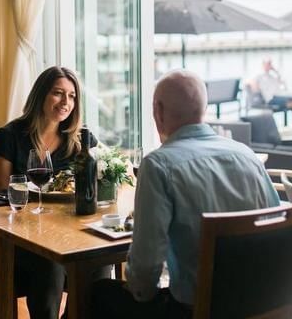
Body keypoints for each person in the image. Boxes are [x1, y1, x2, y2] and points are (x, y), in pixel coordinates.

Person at [91, 69, 280, 319]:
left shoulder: (159, 165)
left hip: (194, 312)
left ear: (157, 111)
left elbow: (145, 274)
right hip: (260, 304)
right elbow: (277, 229)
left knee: (97, 293)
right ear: (204, 108)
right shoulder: (246, 156)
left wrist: (139, 291)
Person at [0, 66, 94, 319]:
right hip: (16, 236)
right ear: (41, 96)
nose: (65, 102)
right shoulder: (10, 136)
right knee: (52, 264)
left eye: (71, 96)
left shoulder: (78, 138)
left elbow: (103, 171)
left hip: (65, 231)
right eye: (58, 93)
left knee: (97, 263)